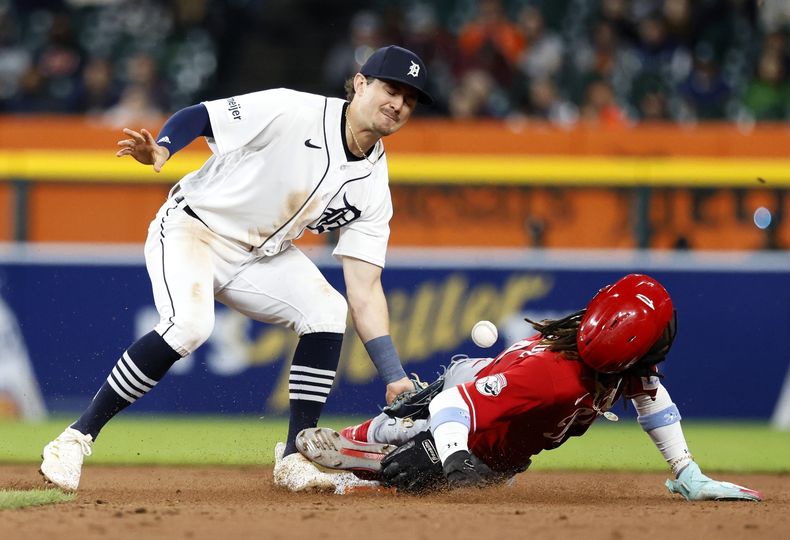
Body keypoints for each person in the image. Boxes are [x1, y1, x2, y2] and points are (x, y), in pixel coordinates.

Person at [39, 45, 432, 492]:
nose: (399, 104)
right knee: (189, 326)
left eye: (410, 99)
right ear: (361, 83)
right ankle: (73, 438)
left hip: (261, 256)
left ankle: (295, 457)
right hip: (195, 229)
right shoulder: (292, 109)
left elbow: (366, 288)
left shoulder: (374, 186)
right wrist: (164, 149)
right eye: (391, 89)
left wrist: (394, 376)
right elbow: (202, 114)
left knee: (327, 312)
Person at [296, 274, 763, 501]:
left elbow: (650, 395)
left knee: (442, 444)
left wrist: (687, 472)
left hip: (489, 400)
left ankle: (370, 452)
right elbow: (455, 404)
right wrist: (453, 457)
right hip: (471, 422)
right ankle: (353, 450)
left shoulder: (608, 359)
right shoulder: (557, 377)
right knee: (410, 462)